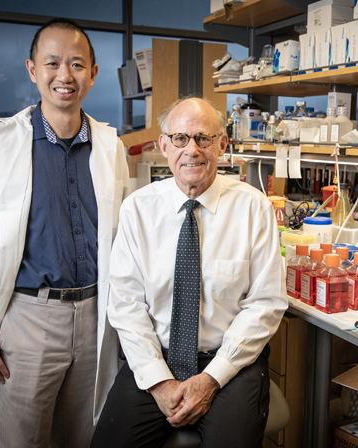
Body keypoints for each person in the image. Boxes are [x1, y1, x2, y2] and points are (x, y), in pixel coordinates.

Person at [0, 18, 131, 448]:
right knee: (20, 439)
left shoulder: (110, 146)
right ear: (32, 69)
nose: (65, 76)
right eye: (53, 63)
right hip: (28, 319)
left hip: (97, 315)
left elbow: (119, 235)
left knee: (85, 435)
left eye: (77, 64)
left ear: (94, 74)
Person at [91, 97, 288, 448]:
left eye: (204, 138)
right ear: (164, 145)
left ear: (222, 145)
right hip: (157, 357)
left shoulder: (253, 207)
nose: (192, 150)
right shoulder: (138, 209)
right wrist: (158, 382)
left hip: (230, 362)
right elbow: (125, 305)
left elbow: (266, 303)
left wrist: (212, 378)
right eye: (180, 139)